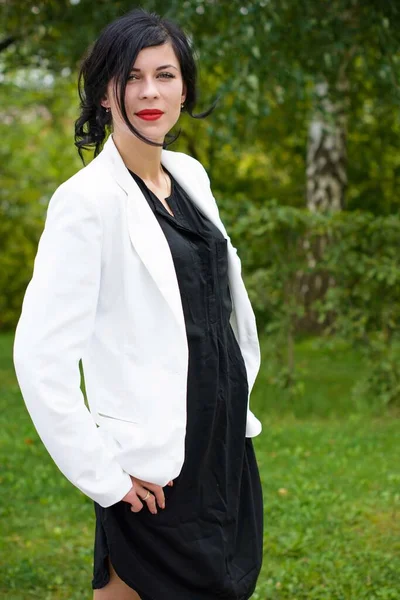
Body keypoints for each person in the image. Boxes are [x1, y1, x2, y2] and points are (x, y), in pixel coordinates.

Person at [13, 8, 263, 600]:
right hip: (150, 463)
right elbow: (39, 356)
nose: (149, 92)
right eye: (130, 77)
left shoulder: (191, 177)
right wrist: (102, 474)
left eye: (165, 74)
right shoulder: (86, 202)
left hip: (219, 443)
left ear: (184, 88)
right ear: (104, 91)